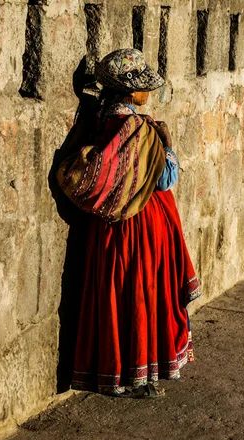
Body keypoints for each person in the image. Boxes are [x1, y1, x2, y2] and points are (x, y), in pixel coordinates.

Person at [56, 48, 201, 398]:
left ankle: (115, 371)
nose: (148, 93)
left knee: (113, 296)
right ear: (130, 92)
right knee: (141, 298)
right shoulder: (139, 130)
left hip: (106, 229)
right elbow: (166, 179)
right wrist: (167, 144)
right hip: (141, 228)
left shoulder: (97, 121)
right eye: (143, 87)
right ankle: (141, 374)